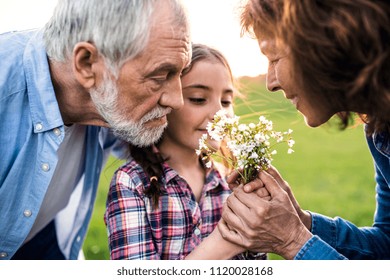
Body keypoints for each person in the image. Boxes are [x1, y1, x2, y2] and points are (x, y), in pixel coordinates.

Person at [0, 0, 191, 260]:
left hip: (43, 238)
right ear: (87, 64)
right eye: (159, 77)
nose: (176, 100)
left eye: (180, 73)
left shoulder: (110, 99)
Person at [218, 0, 390, 259]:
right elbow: (386, 243)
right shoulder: (379, 128)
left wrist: (292, 240)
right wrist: (302, 222)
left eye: (275, 57)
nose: (270, 83)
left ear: (323, 44)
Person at [104, 43, 266, 260]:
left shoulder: (232, 182)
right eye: (198, 99)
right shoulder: (131, 183)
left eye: (226, 101)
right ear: (165, 103)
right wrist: (228, 240)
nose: (220, 114)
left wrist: (257, 238)